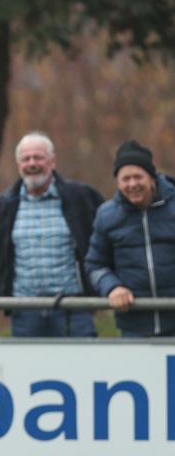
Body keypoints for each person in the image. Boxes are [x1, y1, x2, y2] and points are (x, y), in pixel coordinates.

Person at [0, 132, 104, 337]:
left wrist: (97, 288)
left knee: (82, 368)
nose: (32, 163)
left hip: (73, 308)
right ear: (19, 165)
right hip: (25, 311)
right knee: (27, 369)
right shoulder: (7, 203)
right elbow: (1, 255)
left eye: (38, 157)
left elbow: (102, 238)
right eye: (26, 159)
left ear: (52, 162)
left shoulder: (78, 196)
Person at [85, 140, 175, 337]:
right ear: (118, 182)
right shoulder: (106, 215)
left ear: (152, 178)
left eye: (138, 177)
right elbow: (95, 265)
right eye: (126, 179)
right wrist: (112, 287)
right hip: (134, 327)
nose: (132, 184)